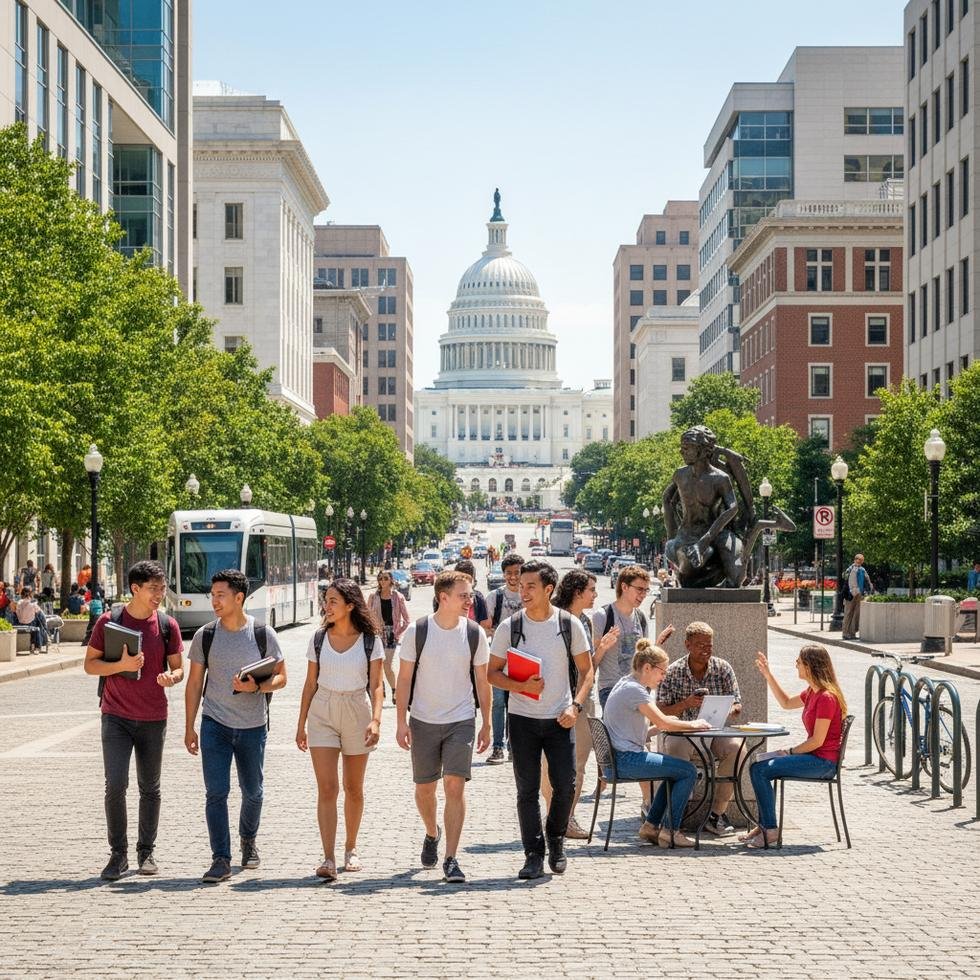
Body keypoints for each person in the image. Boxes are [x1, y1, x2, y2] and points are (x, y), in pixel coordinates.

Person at [488, 559, 594, 880]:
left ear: (549, 589)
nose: (524, 591)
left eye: (531, 586)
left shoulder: (568, 625)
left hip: (560, 718)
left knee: (565, 786)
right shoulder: (511, 627)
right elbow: (492, 673)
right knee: (527, 790)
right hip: (521, 720)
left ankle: (556, 839)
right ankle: (533, 854)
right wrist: (520, 686)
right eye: (521, 586)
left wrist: (574, 706)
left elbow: (587, 671)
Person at [184, 569, 287, 884]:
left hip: (253, 725)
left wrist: (254, 688)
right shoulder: (206, 635)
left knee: (253, 792)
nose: (214, 601)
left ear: (239, 597)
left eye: (220, 595)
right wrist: (189, 726)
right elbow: (194, 683)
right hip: (214, 723)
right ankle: (221, 859)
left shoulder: (262, 634)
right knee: (216, 792)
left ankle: (248, 839)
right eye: (212, 595)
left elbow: (281, 678)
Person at [83, 560, 184, 880]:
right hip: (115, 717)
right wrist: (121, 664)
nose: (159, 594)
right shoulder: (108, 621)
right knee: (115, 785)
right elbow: (90, 665)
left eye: (162, 588)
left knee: (150, 787)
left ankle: (146, 852)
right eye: (153, 589)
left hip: (154, 717)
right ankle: (118, 855)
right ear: (135, 589)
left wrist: (172, 677)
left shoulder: (168, 625)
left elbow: (178, 668)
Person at [396, 570, 492, 884]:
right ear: (444, 597)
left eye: (471, 594)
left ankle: (451, 858)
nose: (470, 600)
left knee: (454, 784)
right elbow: (405, 679)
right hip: (423, 720)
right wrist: (400, 722)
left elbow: (482, 681)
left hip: (461, 720)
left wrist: (487, 723)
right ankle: (431, 831)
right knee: (425, 790)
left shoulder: (474, 633)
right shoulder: (418, 631)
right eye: (464, 595)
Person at [296, 578, 384, 880]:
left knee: (353, 788)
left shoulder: (371, 640)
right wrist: (301, 725)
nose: (327, 606)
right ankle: (329, 858)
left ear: (350, 605)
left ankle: (351, 847)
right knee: (328, 788)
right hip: (322, 710)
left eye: (333, 600)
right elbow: (309, 684)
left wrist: (376, 719)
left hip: (357, 709)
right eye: (326, 600)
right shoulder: (318, 639)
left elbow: (376, 685)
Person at [603, 640, 713, 848]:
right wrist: (695, 723)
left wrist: (673, 726)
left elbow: (649, 727)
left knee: (676, 771)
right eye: (662, 672)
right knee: (688, 771)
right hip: (626, 759)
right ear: (647, 668)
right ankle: (670, 831)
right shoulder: (636, 691)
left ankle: (652, 825)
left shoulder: (626, 683)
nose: (664, 677)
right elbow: (663, 721)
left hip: (619, 757)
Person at [542, 568, 618, 839]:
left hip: (581, 699)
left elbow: (589, 668)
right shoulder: (551, 618)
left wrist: (602, 650)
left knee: (578, 762)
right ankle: (554, 815)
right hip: (549, 699)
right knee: (547, 764)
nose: (595, 595)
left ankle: (567, 818)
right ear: (577, 592)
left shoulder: (585, 622)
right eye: (591, 590)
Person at [747, 644, 847, 848]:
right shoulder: (812, 692)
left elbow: (817, 741)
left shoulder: (826, 697)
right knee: (759, 765)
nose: (796, 665)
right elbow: (785, 703)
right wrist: (768, 674)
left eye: (799, 662)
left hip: (823, 763)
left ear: (810, 666)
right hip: (814, 758)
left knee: (760, 769)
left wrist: (790, 752)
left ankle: (770, 829)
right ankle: (766, 825)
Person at [656, 621, 742, 836]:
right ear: (687, 645)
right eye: (700, 645)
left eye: (709, 645)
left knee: (737, 749)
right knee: (676, 748)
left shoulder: (722, 668)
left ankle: (717, 814)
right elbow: (660, 710)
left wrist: (727, 711)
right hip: (681, 732)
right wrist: (686, 704)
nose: (706, 650)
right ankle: (678, 811)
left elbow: (737, 703)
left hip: (714, 732)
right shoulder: (673, 671)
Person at [592, 565, 653, 709]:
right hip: (611, 690)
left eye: (646, 590)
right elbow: (591, 665)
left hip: (638, 689)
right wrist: (603, 646)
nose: (643, 594)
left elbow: (644, 657)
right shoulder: (603, 615)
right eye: (639, 589)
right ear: (624, 587)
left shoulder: (641, 617)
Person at [485, 552, 525, 764]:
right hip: (500, 658)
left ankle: (514, 746)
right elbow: (486, 626)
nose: (513, 577)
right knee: (498, 703)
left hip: (523, 659)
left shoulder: (528, 595)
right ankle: (498, 746)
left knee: (517, 704)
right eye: (509, 573)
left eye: (517, 572)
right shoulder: (495, 597)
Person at [367, 571, 410, 702]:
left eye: (385, 578)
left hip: (392, 634)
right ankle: (381, 688)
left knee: (387, 664)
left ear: (391, 580)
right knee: (375, 664)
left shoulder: (398, 597)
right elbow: (367, 616)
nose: (382, 581)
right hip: (376, 634)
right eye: (380, 579)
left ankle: (395, 690)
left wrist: (397, 634)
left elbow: (407, 620)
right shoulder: (373, 597)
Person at [842, 553, 873, 640]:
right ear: (855, 560)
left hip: (859, 594)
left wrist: (869, 588)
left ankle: (852, 633)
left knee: (856, 614)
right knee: (848, 613)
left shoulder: (862, 570)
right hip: (850, 594)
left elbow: (868, 580)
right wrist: (852, 591)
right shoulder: (850, 569)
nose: (859, 561)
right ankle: (845, 633)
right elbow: (846, 579)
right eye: (858, 559)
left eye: (861, 560)